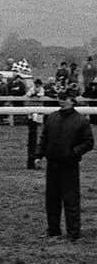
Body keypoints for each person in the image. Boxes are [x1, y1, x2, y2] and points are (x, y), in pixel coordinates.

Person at [34, 91, 94, 241]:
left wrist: (73, 153)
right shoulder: (52, 117)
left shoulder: (81, 120)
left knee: (71, 200)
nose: (61, 101)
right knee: (52, 199)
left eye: (65, 99)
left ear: (72, 101)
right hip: (52, 164)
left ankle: (73, 234)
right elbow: (44, 138)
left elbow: (88, 143)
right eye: (60, 98)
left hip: (69, 165)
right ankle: (53, 231)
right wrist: (39, 155)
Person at [26, 79, 45, 169]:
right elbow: (29, 94)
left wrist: (35, 94)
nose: (37, 85)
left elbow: (40, 95)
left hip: (39, 109)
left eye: (38, 84)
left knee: (38, 125)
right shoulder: (32, 88)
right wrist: (34, 94)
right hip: (32, 109)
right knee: (32, 126)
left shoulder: (41, 89)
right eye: (36, 84)